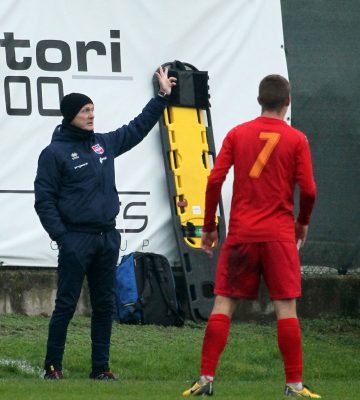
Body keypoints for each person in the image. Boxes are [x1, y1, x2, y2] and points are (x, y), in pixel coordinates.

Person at [34, 67, 177, 380]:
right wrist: (63, 237)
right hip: (75, 240)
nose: (91, 115)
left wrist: (162, 97)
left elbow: (137, 129)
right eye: (85, 110)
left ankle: (100, 368)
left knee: (103, 306)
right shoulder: (54, 154)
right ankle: (53, 367)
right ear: (70, 115)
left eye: (93, 110)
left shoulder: (103, 144)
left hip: (106, 238)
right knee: (66, 305)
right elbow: (43, 201)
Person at [182, 75, 319, 398]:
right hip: (279, 236)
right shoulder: (297, 139)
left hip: (242, 233)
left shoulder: (237, 134)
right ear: (288, 101)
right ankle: (294, 385)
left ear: (259, 100)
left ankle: (206, 378)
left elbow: (214, 180)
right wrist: (303, 222)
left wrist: (210, 226)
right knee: (285, 307)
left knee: (223, 302)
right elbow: (309, 190)